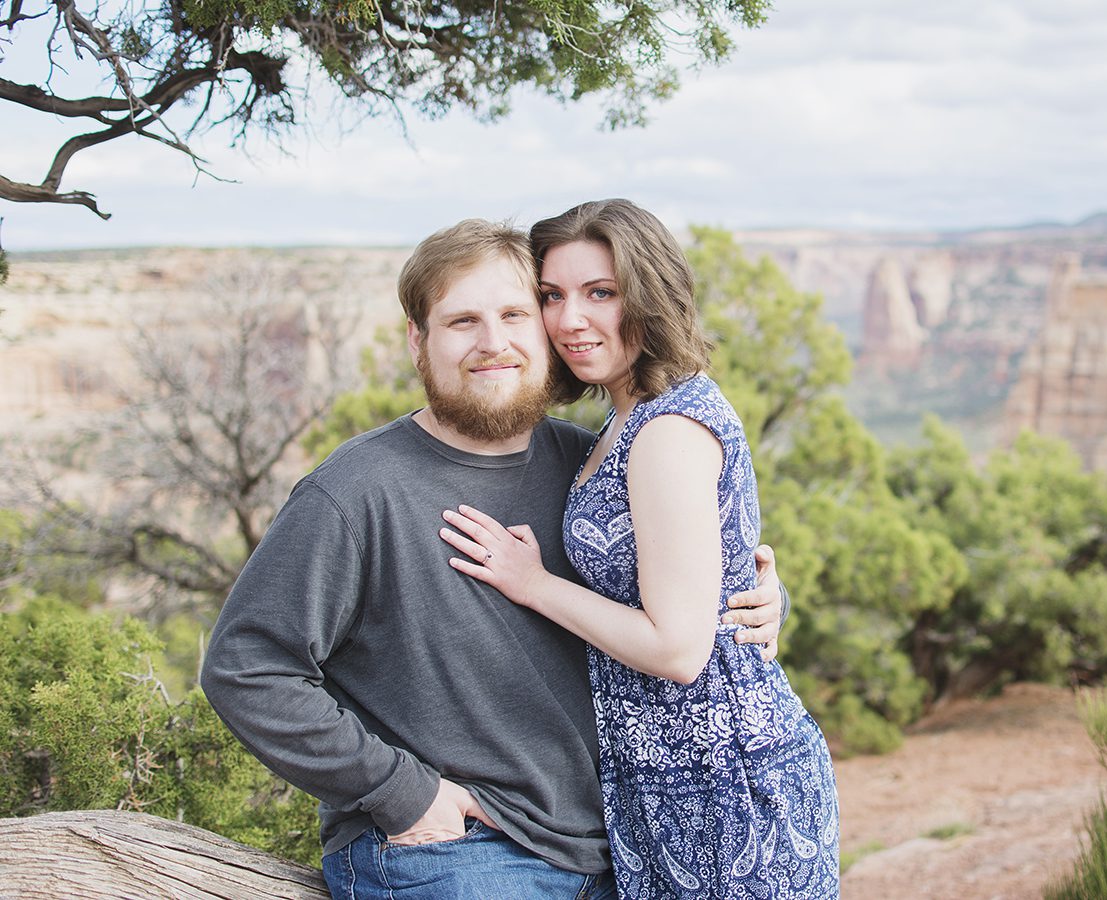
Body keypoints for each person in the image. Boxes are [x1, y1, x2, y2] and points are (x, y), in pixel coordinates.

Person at [200, 218, 787, 900]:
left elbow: (670, 598)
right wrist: (401, 792)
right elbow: (246, 665)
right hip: (456, 853)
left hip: (614, 849)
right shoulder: (356, 492)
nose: (493, 342)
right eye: (461, 322)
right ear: (418, 340)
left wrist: (762, 601)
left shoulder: (587, 464)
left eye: (514, 313)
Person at [440, 199, 840, 899]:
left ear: (648, 295)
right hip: (668, 782)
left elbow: (678, 652)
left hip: (725, 786)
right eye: (552, 296)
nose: (569, 320)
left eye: (601, 293)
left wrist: (531, 583)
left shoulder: (666, 430)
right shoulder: (625, 418)